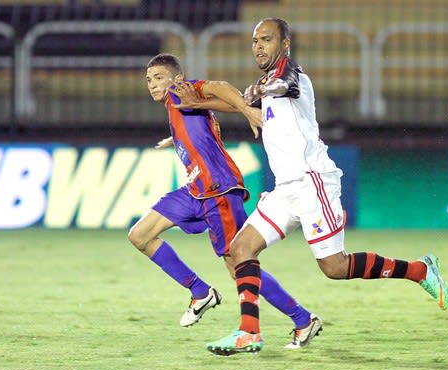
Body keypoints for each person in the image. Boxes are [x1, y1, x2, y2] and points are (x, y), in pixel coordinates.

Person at [194, 17, 448, 356]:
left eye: (266, 39)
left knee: (335, 267)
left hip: (313, 182)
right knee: (240, 249)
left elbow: (283, 86)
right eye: (255, 40)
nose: (258, 46)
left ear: (284, 44)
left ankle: (419, 270)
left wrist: (260, 91)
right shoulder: (265, 83)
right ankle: (249, 333)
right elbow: (237, 103)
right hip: (287, 188)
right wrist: (195, 105)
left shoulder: (292, 76)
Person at [128, 53, 323, 349]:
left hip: (218, 190)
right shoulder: (178, 105)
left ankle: (302, 319)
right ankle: (200, 291)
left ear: (175, 79)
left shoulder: (184, 90)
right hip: (196, 190)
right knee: (140, 235)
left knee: (240, 266)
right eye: (148, 80)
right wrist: (176, 138)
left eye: (158, 78)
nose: (152, 84)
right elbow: (203, 126)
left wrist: (245, 108)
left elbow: (219, 87)